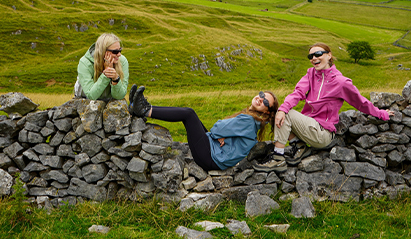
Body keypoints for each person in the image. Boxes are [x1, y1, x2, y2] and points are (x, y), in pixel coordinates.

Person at [253, 42, 394, 172]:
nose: (314, 58)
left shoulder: (341, 82)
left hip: (323, 133)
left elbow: (360, 102)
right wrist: (283, 109)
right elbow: (297, 93)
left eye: (318, 54)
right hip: (309, 128)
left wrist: (382, 114)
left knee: (286, 113)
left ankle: (277, 158)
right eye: (311, 56)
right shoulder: (310, 74)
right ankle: (299, 145)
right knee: (280, 112)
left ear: (329, 55)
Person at [129, 86, 279, 171]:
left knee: (189, 114)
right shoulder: (253, 121)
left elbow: (217, 128)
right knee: (193, 117)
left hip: (210, 158)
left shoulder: (248, 120)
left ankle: (144, 109)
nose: (261, 98)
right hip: (213, 154)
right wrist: (220, 136)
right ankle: (139, 105)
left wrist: (218, 134)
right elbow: (219, 132)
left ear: (267, 112)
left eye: (266, 101)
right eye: (261, 94)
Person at [75, 33, 129, 101]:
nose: (119, 54)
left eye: (120, 50)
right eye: (115, 51)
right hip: (84, 100)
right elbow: (91, 95)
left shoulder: (122, 61)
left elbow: (119, 96)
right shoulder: (85, 63)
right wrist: (106, 75)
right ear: (103, 51)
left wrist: (115, 79)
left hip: (110, 101)